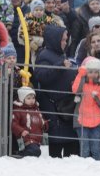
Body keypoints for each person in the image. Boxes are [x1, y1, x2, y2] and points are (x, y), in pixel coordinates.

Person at [33, 26, 79, 157]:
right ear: (54, 40)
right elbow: (41, 75)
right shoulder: (44, 55)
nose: (65, 42)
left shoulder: (59, 53)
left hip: (66, 106)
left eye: (66, 40)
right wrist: (60, 66)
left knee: (70, 145)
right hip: (54, 107)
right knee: (57, 144)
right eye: (63, 40)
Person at [71, 56, 100, 160]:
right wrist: (80, 74)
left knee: (96, 149)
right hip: (81, 120)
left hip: (97, 121)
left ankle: (98, 169)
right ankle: (84, 171)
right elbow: (75, 90)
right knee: (84, 149)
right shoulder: (82, 82)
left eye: (96, 72)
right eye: (90, 71)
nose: (93, 74)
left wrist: (96, 96)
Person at [11, 86, 48, 158]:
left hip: (37, 139)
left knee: (35, 151)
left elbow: (41, 120)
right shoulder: (18, 111)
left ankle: (23, 154)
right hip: (26, 139)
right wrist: (21, 131)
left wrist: (45, 124)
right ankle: (20, 155)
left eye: (33, 98)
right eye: (28, 98)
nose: (32, 100)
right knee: (36, 151)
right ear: (22, 99)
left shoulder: (36, 110)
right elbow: (14, 124)